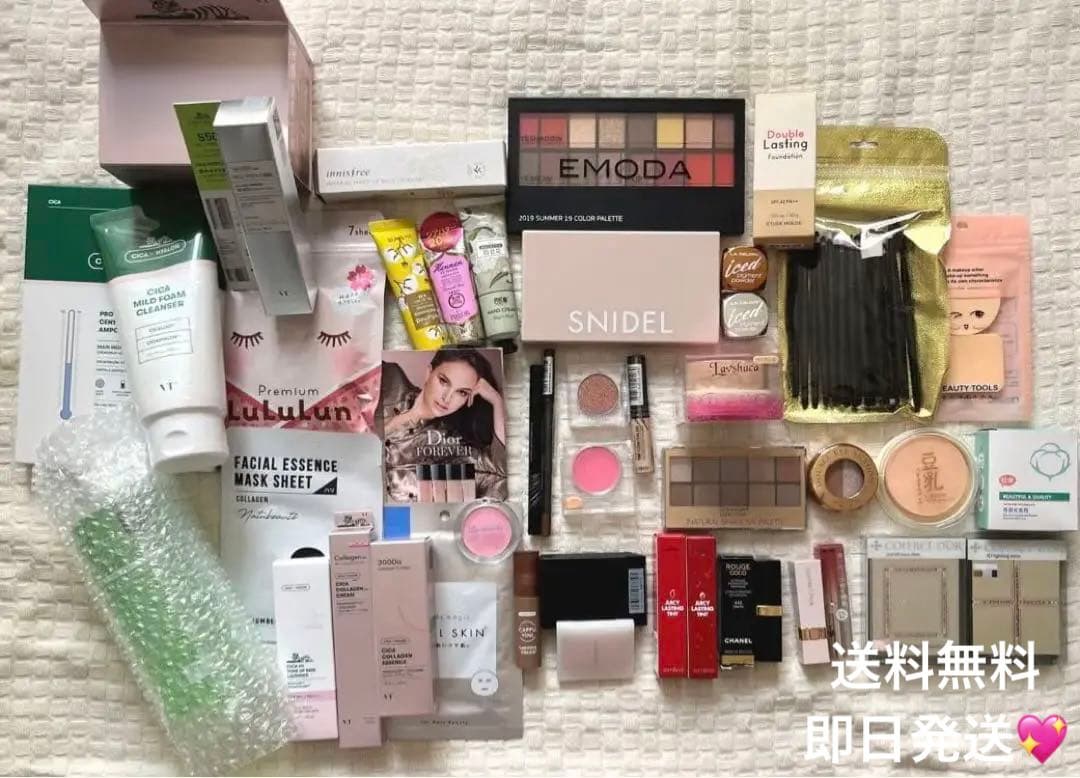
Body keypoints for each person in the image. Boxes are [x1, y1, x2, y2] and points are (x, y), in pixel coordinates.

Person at [382, 349, 507, 501]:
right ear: (429, 373)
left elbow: (503, 472)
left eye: (462, 392)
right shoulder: (390, 380)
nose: (447, 398)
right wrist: (412, 414)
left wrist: (496, 400)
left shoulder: (454, 438)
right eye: (443, 381)